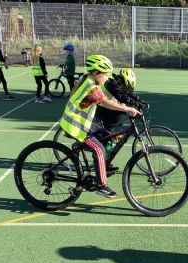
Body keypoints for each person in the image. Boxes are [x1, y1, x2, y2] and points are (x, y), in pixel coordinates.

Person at [59, 55, 141, 198]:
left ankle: (91, 158)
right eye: (105, 74)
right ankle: (101, 186)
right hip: (75, 125)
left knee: (106, 137)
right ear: (96, 73)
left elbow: (93, 102)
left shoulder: (89, 81)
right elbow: (105, 102)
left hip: (82, 122)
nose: (107, 77)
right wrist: (127, 108)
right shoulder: (90, 86)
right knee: (99, 150)